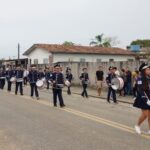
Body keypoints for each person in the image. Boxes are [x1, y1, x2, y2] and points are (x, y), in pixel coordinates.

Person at [133, 63, 150, 134]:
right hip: (143, 98)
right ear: (143, 70)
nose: (149, 70)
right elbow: (140, 90)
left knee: (149, 115)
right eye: (148, 69)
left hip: (149, 96)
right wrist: (146, 99)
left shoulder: (149, 77)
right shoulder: (140, 78)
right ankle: (137, 125)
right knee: (145, 114)